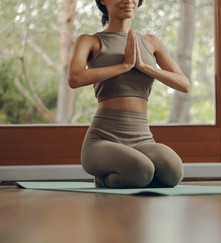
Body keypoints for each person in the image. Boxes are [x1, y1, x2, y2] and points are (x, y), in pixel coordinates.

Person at [68, 0, 190, 188]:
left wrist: (144, 67)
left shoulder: (151, 42)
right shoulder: (89, 40)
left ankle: (133, 174)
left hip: (142, 138)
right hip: (103, 138)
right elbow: (75, 78)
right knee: (141, 171)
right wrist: (124, 66)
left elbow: (184, 84)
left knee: (173, 173)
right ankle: (104, 178)